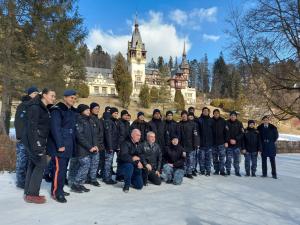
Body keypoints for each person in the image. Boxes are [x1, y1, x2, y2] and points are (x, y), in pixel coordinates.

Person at [23, 88, 56, 204]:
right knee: (41, 163)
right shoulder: (35, 107)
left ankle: (28, 192)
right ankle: (32, 194)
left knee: (33, 165)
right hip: (34, 141)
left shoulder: (43, 108)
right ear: (45, 95)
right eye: (52, 95)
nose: (54, 98)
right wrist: (37, 145)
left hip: (38, 140)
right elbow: (32, 129)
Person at [47, 89, 77, 203]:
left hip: (68, 144)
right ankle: (56, 192)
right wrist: (60, 145)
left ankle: (59, 188)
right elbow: (55, 129)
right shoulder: (57, 110)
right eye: (71, 98)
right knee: (59, 170)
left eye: (74, 98)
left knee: (63, 169)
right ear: (64, 97)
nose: (73, 100)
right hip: (60, 145)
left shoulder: (71, 111)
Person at [70, 104, 101, 193]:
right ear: (81, 111)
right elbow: (79, 136)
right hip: (82, 148)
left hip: (90, 148)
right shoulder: (79, 120)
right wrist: (89, 147)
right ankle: (76, 184)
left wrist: (95, 145)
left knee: (86, 166)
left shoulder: (90, 120)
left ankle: (80, 184)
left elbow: (95, 134)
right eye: (86, 110)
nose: (88, 111)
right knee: (85, 165)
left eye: (88, 110)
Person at [15, 86, 39, 189]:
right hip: (24, 138)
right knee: (22, 160)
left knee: (30, 160)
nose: (36, 95)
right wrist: (20, 136)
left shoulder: (36, 105)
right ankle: (21, 182)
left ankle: (28, 180)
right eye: (34, 93)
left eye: (37, 93)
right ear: (29, 94)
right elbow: (18, 121)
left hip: (33, 139)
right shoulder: (23, 105)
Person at [178, 110, 200, 179]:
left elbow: (195, 135)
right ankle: (184, 172)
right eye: (183, 115)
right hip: (182, 145)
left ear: (187, 116)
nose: (184, 116)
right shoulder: (179, 124)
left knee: (190, 160)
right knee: (183, 160)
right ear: (181, 116)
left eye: (185, 115)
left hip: (190, 145)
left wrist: (196, 144)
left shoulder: (193, 124)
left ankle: (189, 172)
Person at [88, 102, 105, 181]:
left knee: (96, 162)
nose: (97, 110)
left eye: (98, 108)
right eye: (95, 108)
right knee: (92, 162)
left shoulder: (97, 119)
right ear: (91, 109)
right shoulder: (90, 118)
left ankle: (92, 177)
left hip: (99, 144)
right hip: (93, 144)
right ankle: (91, 178)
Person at [102, 107, 119, 185]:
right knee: (108, 163)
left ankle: (107, 176)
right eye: (115, 113)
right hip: (109, 146)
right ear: (111, 113)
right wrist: (110, 147)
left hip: (113, 145)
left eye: (117, 113)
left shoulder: (114, 121)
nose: (116, 114)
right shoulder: (109, 121)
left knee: (109, 162)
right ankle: (107, 178)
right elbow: (108, 135)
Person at [226, 111, 244, 177]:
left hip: (237, 145)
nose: (233, 116)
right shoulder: (226, 123)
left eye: (234, 115)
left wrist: (236, 139)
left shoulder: (239, 123)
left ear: (236, 116)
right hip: (229, 145)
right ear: (230, 116)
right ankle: (228, 170)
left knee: (236, 160)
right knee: (228, 159)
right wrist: (229, 140)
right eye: (231, 115)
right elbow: (225, 133)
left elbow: (242, 133)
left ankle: (237, 171)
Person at [212, 109, 229, 176]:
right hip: (213, 143)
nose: (216, 114)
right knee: (215, 158)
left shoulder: (223, 121)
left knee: (222, 158)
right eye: (215, 113)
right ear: (213, 114)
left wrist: (226, 141)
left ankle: (222, 171)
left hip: (221, 143)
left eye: (217, 113)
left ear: (219, 114)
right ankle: (216, 170)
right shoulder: (211, 120)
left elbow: (226, 132)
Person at [198, 107, 214, 176]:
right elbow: (197, 132)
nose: (205, 112)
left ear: (209, 112)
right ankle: (202, 170)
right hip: (201, 143)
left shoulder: (211, 120)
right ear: (202, 112)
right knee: (201, 158)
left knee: (208, 158)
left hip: (209, 143)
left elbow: (214, 132)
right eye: (204, 111)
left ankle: (208, 170)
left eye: (207, 111)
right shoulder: (199, 120)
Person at [187, 112, 198, 176]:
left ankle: (193, 169)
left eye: (191, 117)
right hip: (187, 144)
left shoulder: (195, 124)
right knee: (189, 158)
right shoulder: (185, 123)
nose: (190, 118)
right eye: (189, 117)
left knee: (193, 158)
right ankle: (188, 171)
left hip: (194, 143)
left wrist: (197, 143)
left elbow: (197, 135)